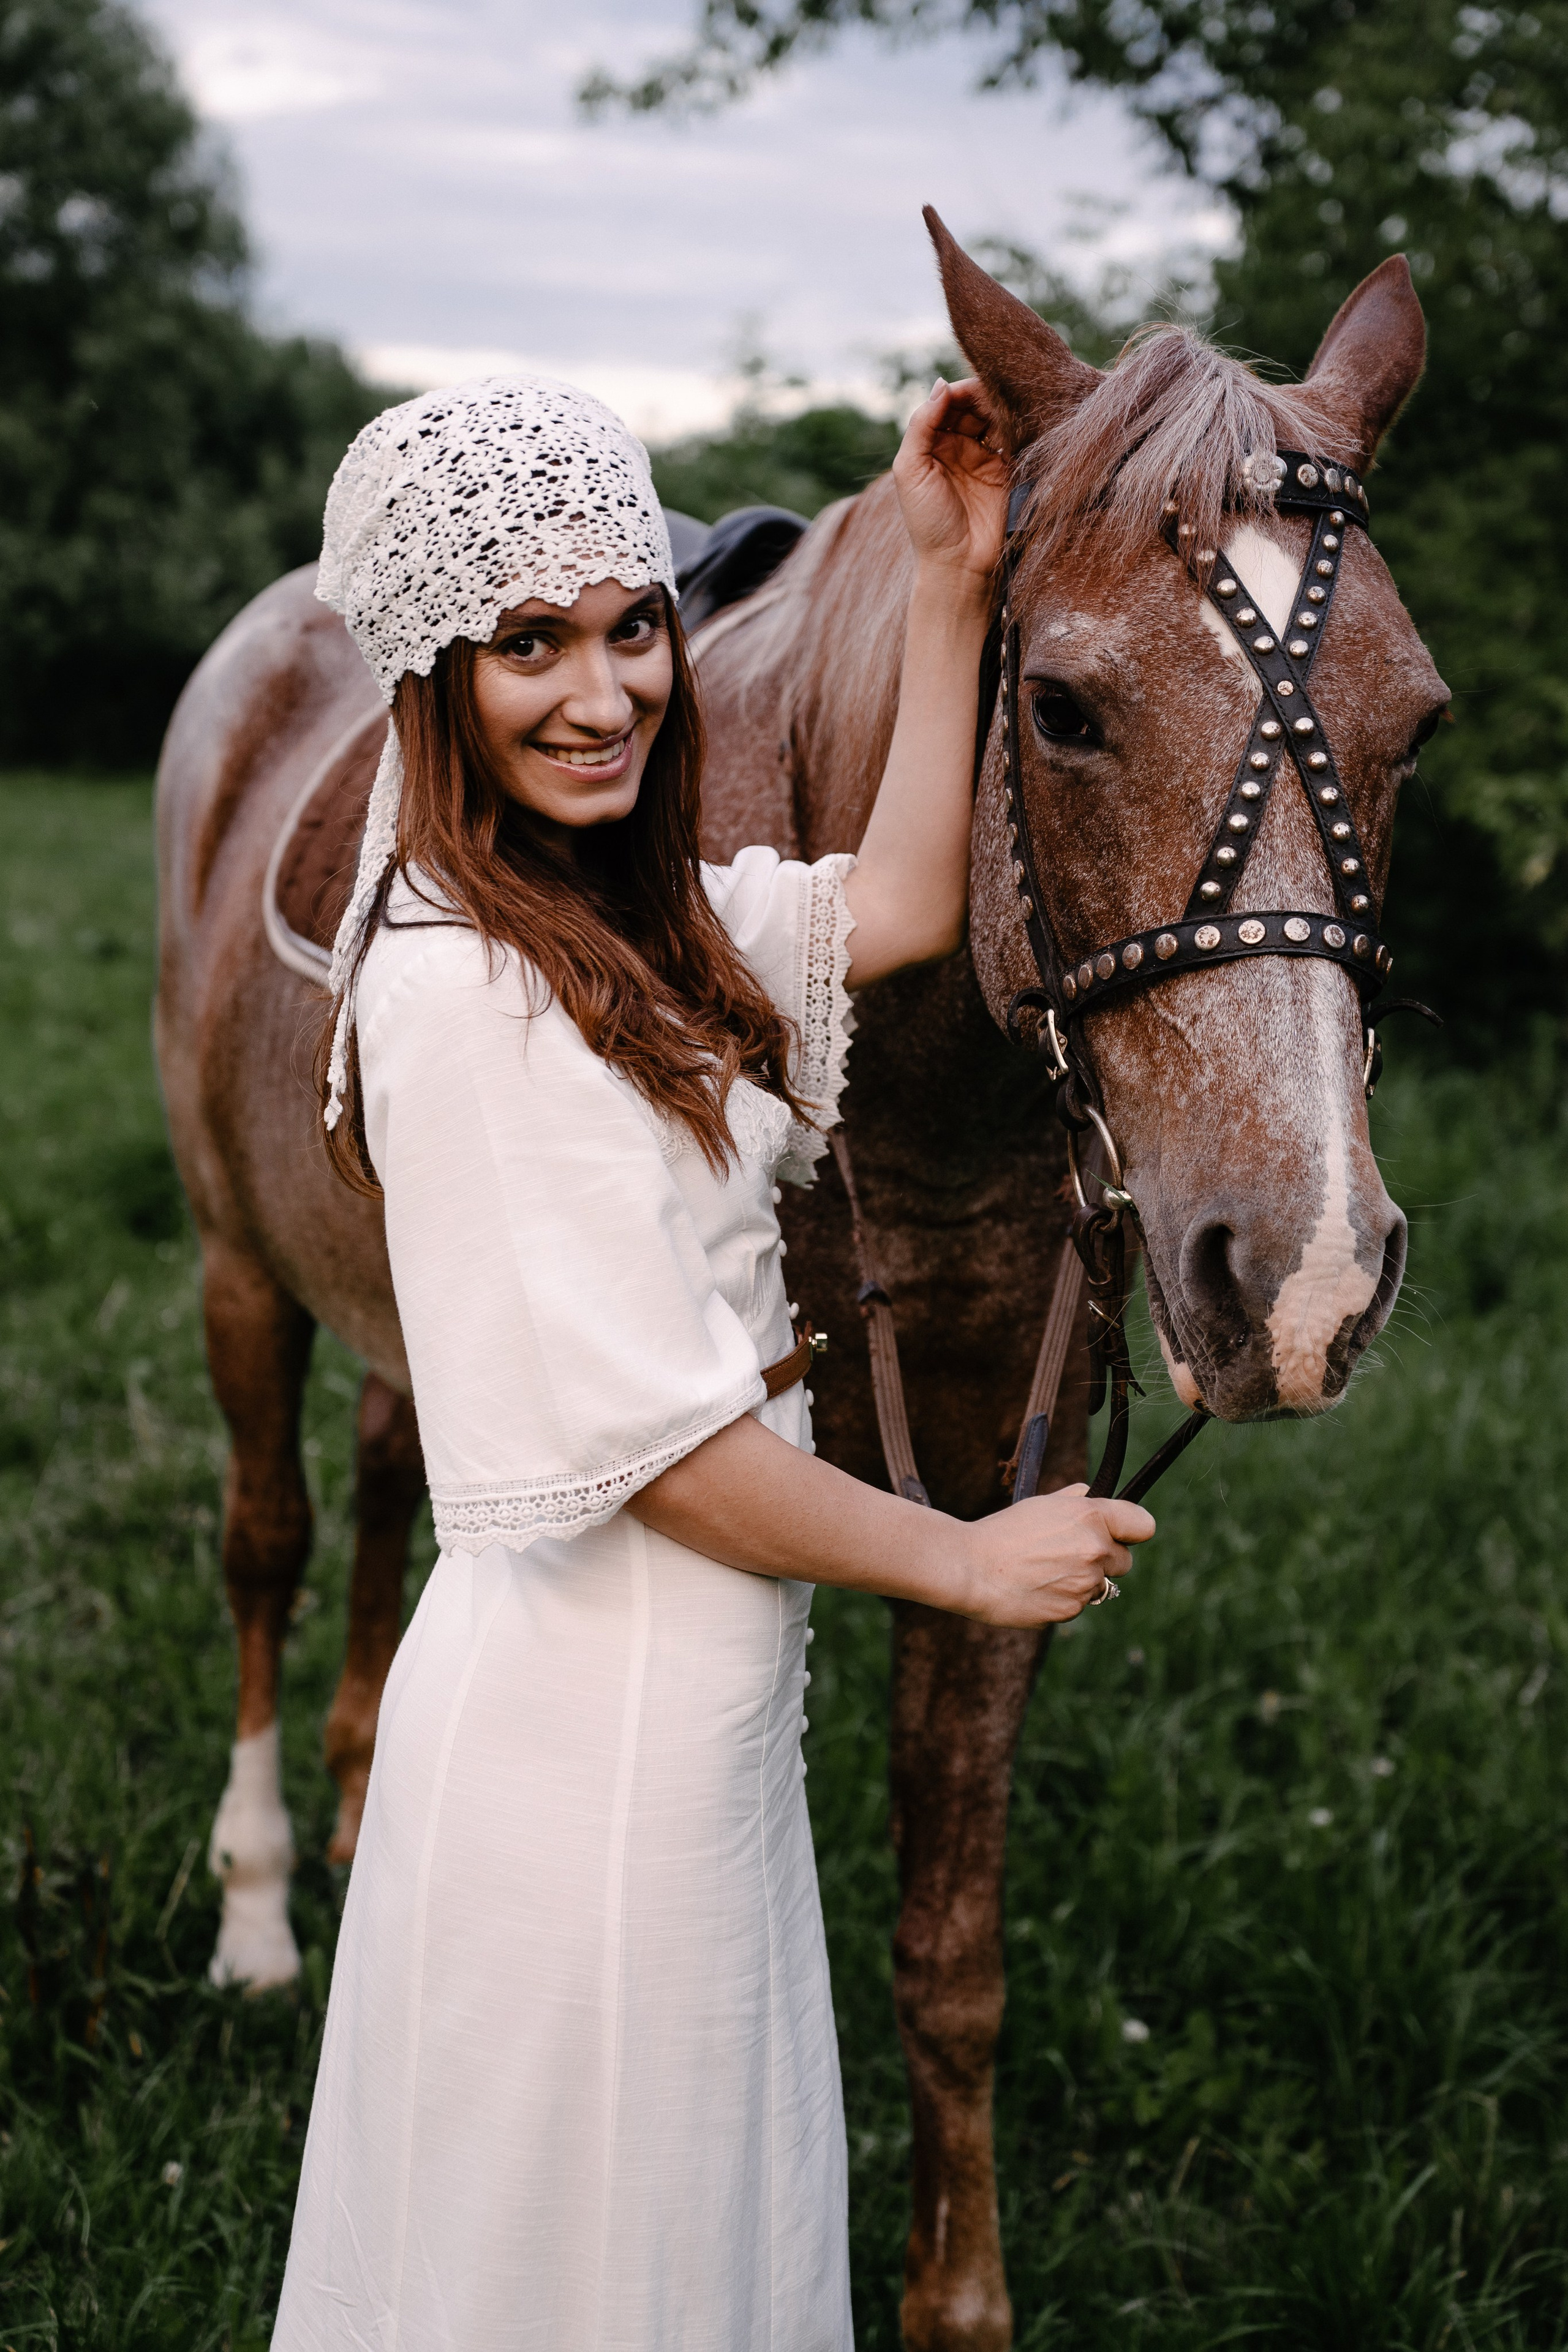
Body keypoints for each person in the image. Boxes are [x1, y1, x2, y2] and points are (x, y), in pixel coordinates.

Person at [272, 369, 1153, 2351]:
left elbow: (901, 901)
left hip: (686, 1712)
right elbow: (663, 1450)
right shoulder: (474, 993)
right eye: (529, 645)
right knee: (605, 2261)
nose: (604, 695)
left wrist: (947, 579)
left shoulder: (629, 925)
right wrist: (964, 1562)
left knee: (673, 2232)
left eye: (631, 627)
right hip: (582, 1740)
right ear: (430, 674)